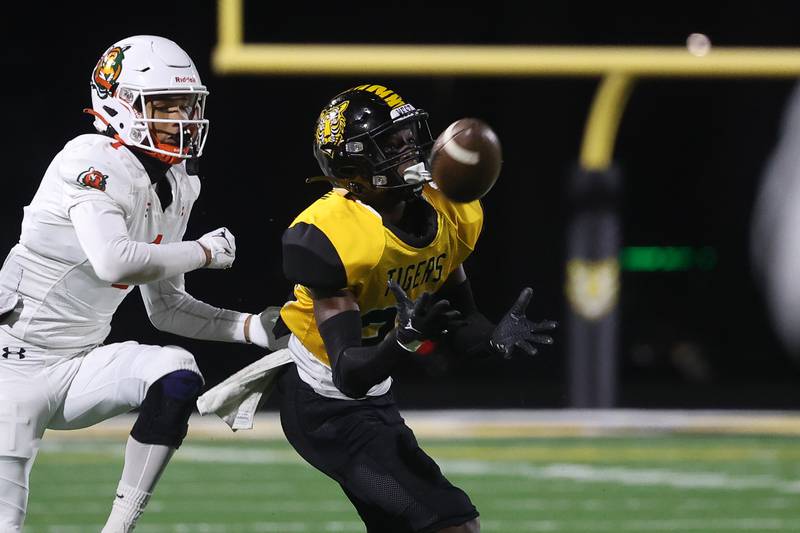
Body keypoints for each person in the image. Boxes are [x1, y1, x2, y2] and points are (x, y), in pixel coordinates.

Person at [0, 35, 276, 532]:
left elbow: (166, 308)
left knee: (175, 372)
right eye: (164, 105)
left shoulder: (178, 182)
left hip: (76, 364)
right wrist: (206, 252)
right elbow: (114, 262)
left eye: (186, 105)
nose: (180, 118)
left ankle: (119, 527)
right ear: (119, 102)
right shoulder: (90, 157)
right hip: (9, 368)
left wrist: (253, 328)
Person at [276, 83, 557, 532]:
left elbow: (463, 323)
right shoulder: (328, 238)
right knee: (449, 524)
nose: (411, 151)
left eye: (410, 138)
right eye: (392, 144)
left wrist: (493, 339)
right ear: (354, 163)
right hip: (323, 405)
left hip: (374, 397)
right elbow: (349, 374)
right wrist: (406, 338)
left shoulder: (448, 211)